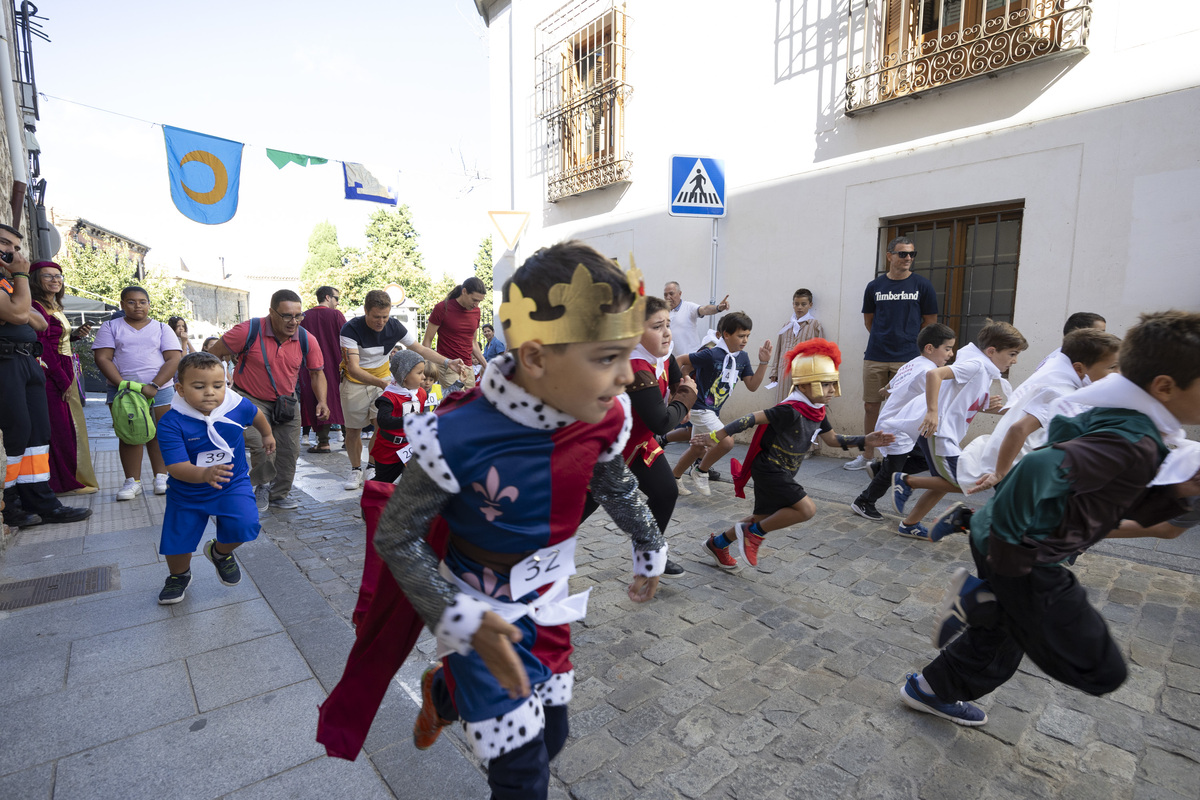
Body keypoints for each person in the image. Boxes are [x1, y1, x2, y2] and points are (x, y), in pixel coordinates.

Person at [316, 242, 667, 800]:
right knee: (523, 775)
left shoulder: (602, 414)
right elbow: (397, 534)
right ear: (535, 358)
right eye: (607, 357)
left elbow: (614, 481)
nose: (628, 377)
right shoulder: (455, 434)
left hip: (549, 603)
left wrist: (648, 545)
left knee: (552, 736)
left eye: (627, 355)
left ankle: (445, 693)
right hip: (476, 611)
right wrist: (461, 621)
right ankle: (459, 679)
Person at [903, 310, 1200, 727]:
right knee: (1102, 671)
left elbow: (1070, 449)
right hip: (1026, 554)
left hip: (1019, 542)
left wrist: (1178, 489)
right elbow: (1041, 466)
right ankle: (985, 601)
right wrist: (1010, 560)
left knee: (1002, 642)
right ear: (1165, 387)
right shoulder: (1130, 439)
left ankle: (934, 685)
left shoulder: (1132, 421)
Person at [701, 339, 894, 569]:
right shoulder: (790, 409)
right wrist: (714, 436)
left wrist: (865, 440)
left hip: (783, 470)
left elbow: (832, 440)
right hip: (769, 468)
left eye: (833, 383)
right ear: (803, 386)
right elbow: (751, 418)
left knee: (762, 519)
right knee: (806, 509)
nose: (831, 389)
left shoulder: (817, 410)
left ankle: (718, 543)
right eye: (824, 384)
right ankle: (753, 535)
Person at [581, 295, 697, 576]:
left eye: (668, 323)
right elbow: (662, 422)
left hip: (637, 444)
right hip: (605, 452)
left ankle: (649, 554)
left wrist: (681, 397)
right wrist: (685, 399)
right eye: (657, 326)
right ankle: (520, 561)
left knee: (666, 492)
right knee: (571, 515)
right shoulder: (634, 366)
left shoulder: (660, 354)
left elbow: (676, 380)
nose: (667, 332)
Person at [154, 352, 276, 604]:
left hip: (232, 484)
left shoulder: (234, 405)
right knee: (178, 541)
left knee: (246, 525)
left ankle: (219, 553)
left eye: (218, 386)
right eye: (199, 386)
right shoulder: (171, 422)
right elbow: (176, 466)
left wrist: (266, 435)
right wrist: (203, 474)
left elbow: (255, 414)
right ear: (180, 388)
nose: (210, 392)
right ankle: (179, 576)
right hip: (187, 492)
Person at [889, 320, 1027, 540]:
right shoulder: (976, 366)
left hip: (946, 433)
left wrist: (990, 406)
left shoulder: (981, 369)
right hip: (939, 431)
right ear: (991, 351)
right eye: (1012, 354)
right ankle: (907, 481)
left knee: (943, 484)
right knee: (965, 481)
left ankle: (909, 524)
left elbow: (963, 400)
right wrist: (932, 412)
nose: (1015, 360)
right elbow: (934, 375)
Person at [0, 224, 91, 527]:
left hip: (26, 358)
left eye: (15, 246)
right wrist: (21, 279)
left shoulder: (10, 283)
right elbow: (17, 314)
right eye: (4, 244)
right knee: (17, 433)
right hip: (5, 359)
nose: (12, 252)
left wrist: (19, 299)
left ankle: (41, 500)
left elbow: (37, 321)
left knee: (38, 434)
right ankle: (10, 504)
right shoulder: (14, 280)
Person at [961, 328, 1122, 495]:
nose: (1118, 373)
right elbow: (1018, 429)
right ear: (1079, 369)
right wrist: (1000, 473)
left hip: (1035, 475)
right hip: (1021, 474)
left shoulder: (1071, 387)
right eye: (1112, 367)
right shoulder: (1059, 392)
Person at [209, 289, 328, 511]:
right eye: (286, 316)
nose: (293, 322)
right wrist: (216, 387)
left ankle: (279, 494)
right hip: (249, 398)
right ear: (272, 312)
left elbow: (317, 373)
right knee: (262, 445)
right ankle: (262, 485)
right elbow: (212, 355)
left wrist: (322, 401)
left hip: (286, 401)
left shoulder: (305, 338)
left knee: (290, 450)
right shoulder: (247, 330)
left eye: (298, 316)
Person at [340, 289, 459, 491]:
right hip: (356, 381)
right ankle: (355, 469)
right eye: (376, 317)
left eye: (385, 317)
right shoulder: (350, 329)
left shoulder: (394, 326)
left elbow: (420, 349)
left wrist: (448, 362)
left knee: (381, 425)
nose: (381, 321)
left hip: (384, 379)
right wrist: (381, 384)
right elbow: (354, 368)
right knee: (353, 430)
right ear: (366, 311)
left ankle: (372, 466)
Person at [849, 323, 956, 521]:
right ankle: (864, 502)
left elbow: (898, 378)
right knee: (895, 469)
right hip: (896, 427)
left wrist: (886, 388)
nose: (950, 354)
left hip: (902, 426)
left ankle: (880, 470)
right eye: (947, 349)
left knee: (923, 458)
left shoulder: (917, 362)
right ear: (930, 348)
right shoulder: (929, 371)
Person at [853, 236, 939, 471]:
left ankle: (895, 459)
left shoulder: (922, 285)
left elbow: (930, 323)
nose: (908, 258)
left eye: (912, 254)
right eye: (903, 254)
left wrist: (909, 340)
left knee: (904, 408)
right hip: (875, 355)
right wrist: (884, 337)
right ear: (889, 256)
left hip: (908, 358)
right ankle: (868, 456)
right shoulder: (874, 287)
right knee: (871, 406)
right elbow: (869, 321)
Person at [92, 287, 183, 500]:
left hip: (159, 390)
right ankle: (132, 481)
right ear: (122, 304)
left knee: (159, 433)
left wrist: (155, 385)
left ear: (149, 304)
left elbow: (173, 358)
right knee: (130, 434)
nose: (138, 306)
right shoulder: (110, 327)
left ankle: (162, 476)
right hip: (123, 391)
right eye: (131, 302)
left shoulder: (162, 328)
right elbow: (103, 358)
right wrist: (123, 385)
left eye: (143, 301)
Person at [671, 311, 772, 497]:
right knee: (726, 442)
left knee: (697, 448)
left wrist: (763, 362)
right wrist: (677, 389)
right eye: (741, 336)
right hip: (699, 407)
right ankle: (701, 471)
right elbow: (680, 360)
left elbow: (752, 385)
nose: (745, 340)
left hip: (713, 410)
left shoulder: (742, 358)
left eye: (748, 336)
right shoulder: (711, 354)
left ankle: (674, 478)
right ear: (726, 334)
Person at [28, 260, 99, 494]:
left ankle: (71, 477)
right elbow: (43, 346)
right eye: (48, 276)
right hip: (50, 371)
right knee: (59, 427)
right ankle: (61, 482)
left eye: (58, 276)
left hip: (64, 367)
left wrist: (75, 336)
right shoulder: (35, 306)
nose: (55, 280)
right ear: (36, 279)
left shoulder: (54, 305)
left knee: (70, 425)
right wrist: (60, 379)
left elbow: (58, 340)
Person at [369, 349, 428, 485]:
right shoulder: (389, 397)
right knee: (383, 482)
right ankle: (370, 501)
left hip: (411, 447)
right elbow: (384, 422)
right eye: (419, 373)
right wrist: (409, 419)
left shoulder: (421, 393)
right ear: (404, 375)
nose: (424, 377)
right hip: (389, 449)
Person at [299, 285, 346, 454]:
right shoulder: (336, 315)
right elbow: (347, 338)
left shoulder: (304, 316)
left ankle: (323, 442)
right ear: (327, 297)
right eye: (336, 299)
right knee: (341, 399)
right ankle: (349, 439)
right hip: (336, 364)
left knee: (316, 398)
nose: (338, 303)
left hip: (311, 366)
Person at [423, 276, 486, 391]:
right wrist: (427, 367)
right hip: (448, 366)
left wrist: (486, 365)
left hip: (468, 366)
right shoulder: (442, 308)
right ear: (464, 291)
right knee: (458, 403)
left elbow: (473, 343)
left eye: (479, 301)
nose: (476, 304)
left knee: (470, 404)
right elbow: (427, 341)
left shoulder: (476, 311)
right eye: (474, 300)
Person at [767, 289, 824, 404]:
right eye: (796, 304)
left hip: (805, 374)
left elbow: (820, 352)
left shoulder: (814, 325)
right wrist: (774, 372)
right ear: (793, 304)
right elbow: (779, 349)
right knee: (783, 404)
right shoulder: (787, 326)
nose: (799, 307)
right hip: (784, 373)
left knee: (802, 405)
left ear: (810, 305)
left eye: (803, 304)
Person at [663, 281, 729, 358]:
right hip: (672, 360)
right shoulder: (663, 312)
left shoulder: (688, 307)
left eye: (671, 294)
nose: (668, 297)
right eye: (665, 295)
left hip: (690, 359)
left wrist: (718, 308)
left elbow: (704, 309)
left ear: (680, 293)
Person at [1033, 311, 1106, 371]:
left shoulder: (1080, 357)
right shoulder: (1057, 363)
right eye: (1099, 333)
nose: (1104, 337)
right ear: (1079, 334)